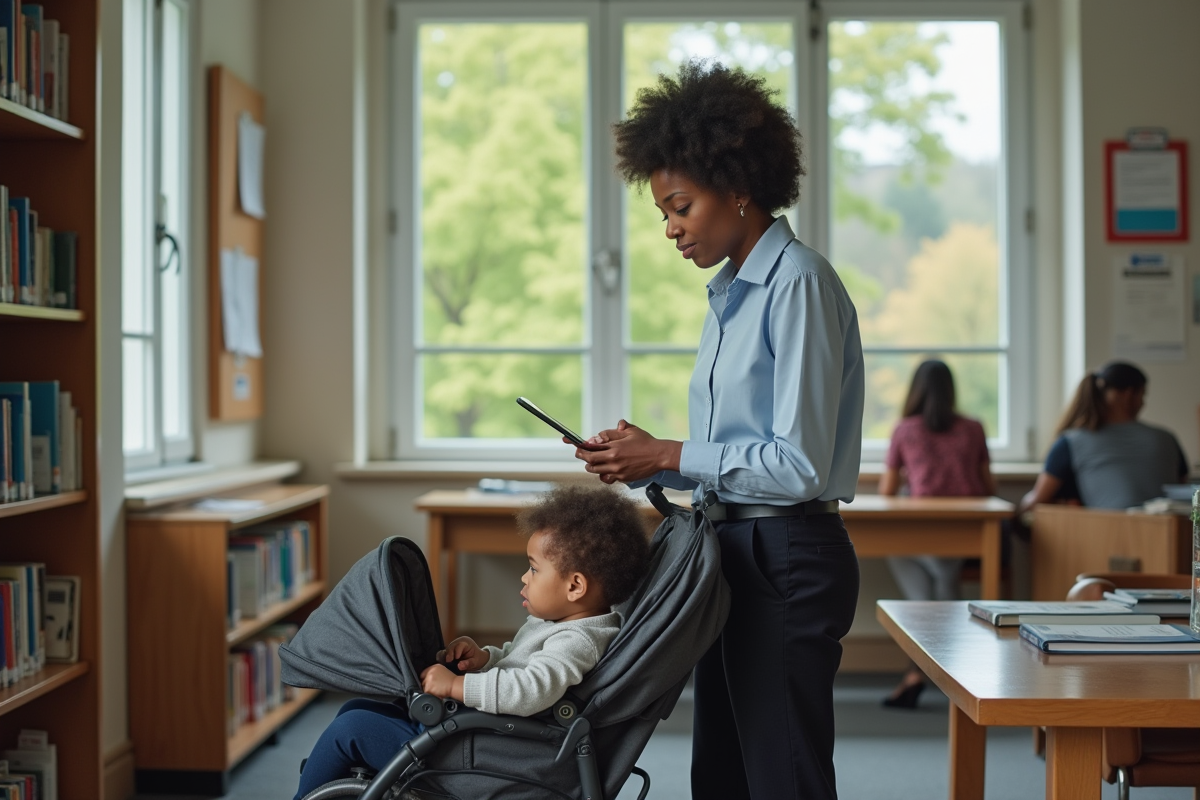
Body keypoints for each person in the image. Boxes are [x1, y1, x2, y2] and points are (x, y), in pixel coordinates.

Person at [574, 60, 864, 800]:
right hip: (730, 550)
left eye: (681, 206)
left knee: (783, 776)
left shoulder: (797, 283)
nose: (671, 228)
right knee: (724, 776)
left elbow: (795, 464)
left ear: (738, 189)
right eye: (663, 214)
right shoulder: (731, 295)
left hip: (786, 554)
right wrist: (652, 464)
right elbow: (739, 451)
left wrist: (672, 452)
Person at [292, 485, 651, 800]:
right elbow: (517, 663)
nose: (524, 577)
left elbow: (530, 690)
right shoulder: (561, 624)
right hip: (480, 735)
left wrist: (458, 685)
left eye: (534, 569)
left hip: (479, 754)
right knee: (355, 709)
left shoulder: (578, 641)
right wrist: (485, 658)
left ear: (575, 586)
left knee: (349, 731)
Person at [878, 359, 995, 709]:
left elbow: (887, 491)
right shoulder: (974, 428)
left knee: (897, 549)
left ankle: (917, 670)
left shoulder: (905, 429)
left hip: (922, 529)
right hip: (967, 531)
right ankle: (938, 670)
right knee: (942, 575)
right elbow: (989, 485)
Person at [1016, 361, 1190, 517]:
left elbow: (1034, 503)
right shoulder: (1167, 438)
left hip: (1106, 538)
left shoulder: (1070, 442)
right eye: (1143, 395)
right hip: (1171, 538)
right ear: (1129, 394)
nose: (1143, 403)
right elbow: (1182, 491)